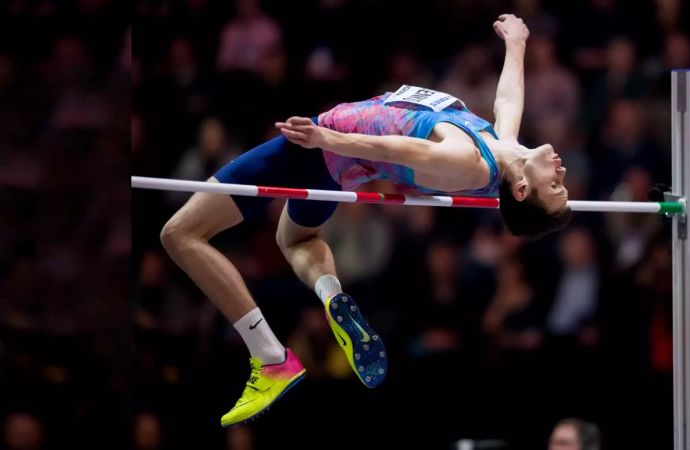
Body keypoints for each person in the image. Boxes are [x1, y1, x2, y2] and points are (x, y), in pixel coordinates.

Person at [160, 14, 572, 427]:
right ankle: (330, 294)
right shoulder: (504, 149)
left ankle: (270, 357)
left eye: (555, 187)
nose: (562, 173)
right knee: (296, 240)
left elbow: (396, 149)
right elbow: (507, 100)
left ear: (521, 190)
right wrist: (516, 43)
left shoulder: (468, 163)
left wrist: (325, 138)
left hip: (319, 147)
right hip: (333, 163)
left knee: (180, 234)